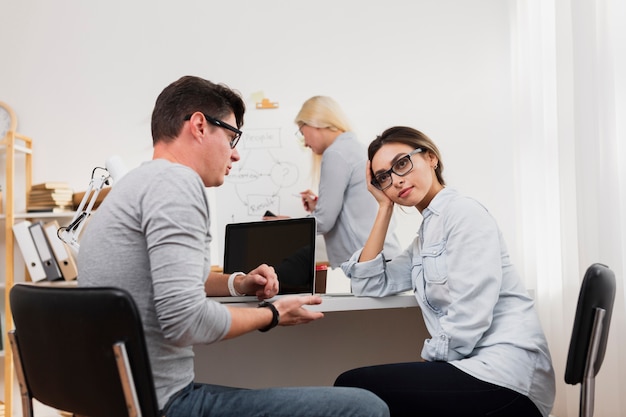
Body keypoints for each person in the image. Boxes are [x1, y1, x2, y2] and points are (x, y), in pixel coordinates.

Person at [77, 76, 390, 417]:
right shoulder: (177, 184)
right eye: (230, 137)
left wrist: (236, 282)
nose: (236, 154)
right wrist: (271, 314)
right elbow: (184, 321)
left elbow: (171, 280)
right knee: (365, 407)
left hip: (116, 401)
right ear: (199, 126)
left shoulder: (131, 185)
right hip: (166, 405)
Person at [334, 126, 555, 417]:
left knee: (353, 389)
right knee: (357, 390)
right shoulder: (426, 234)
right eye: (384, 178)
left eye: (402, 164)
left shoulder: (464, 214)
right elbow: (368, 284)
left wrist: (428, 366)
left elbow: (469, 316)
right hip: (475, 367)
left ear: (431, 158)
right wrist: (384, 207)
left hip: (508, 375)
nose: (396, 181)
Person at [292, 96, 402, 268]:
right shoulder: (354, 148)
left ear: (315, 123)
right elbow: (354, 211)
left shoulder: (336, 153)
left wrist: (287, 226)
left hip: (367, 263)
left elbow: (324, 221)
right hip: (382, 258)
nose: (305, 142)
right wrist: (319, 207)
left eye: (301, 131)